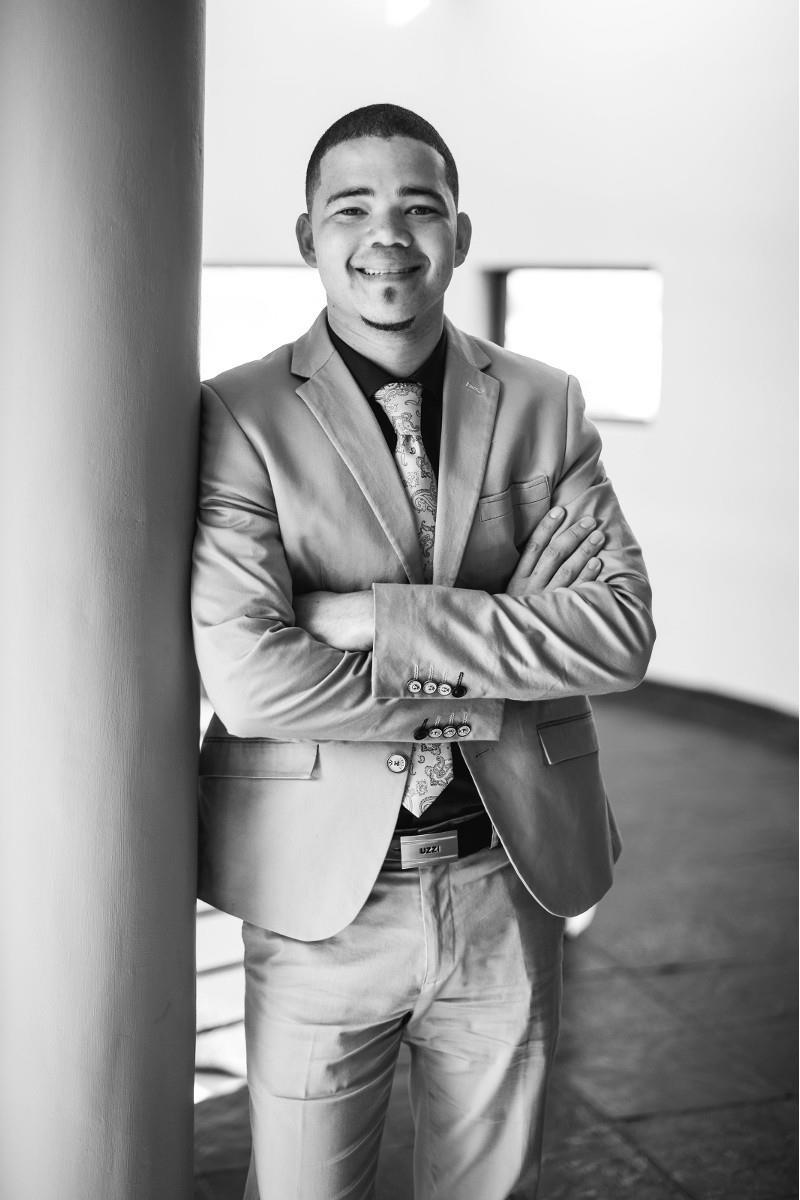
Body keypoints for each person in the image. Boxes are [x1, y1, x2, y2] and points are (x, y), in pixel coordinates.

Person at [191, 103, 655, 1200]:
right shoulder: (237, 413)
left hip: (507, 881)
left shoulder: (543, 403)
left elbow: (618, 632)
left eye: (419, 207)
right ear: (306, 236)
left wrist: (374, 619)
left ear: (459, 230)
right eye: (351, 208)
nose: (387, 236)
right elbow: (253, 682)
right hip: (318, 902)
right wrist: (502, 655)